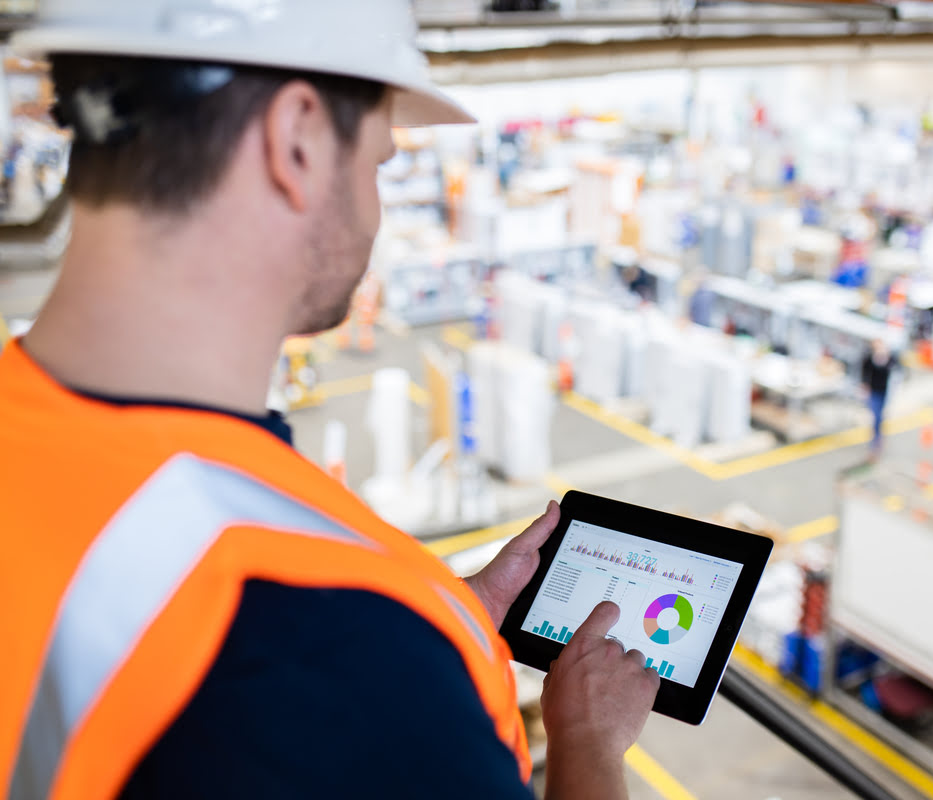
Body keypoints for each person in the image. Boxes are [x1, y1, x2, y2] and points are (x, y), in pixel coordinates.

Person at [0, 2, 660, 799]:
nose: (376, 209)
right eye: (378, 162)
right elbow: (315, 672)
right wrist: (588, 741)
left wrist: (443, 623)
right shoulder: (330, 638)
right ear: (298, 139)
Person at [861, 338, 897, 459]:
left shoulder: (888, 358)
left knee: (880, 416)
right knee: (876, 416)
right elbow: (865, 374)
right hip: (874, 391)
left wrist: (885, 357)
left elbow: (894, 368)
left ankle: (878, 438)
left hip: (884, 391)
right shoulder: (869, 359)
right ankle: (875, 441)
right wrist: (865, 387)